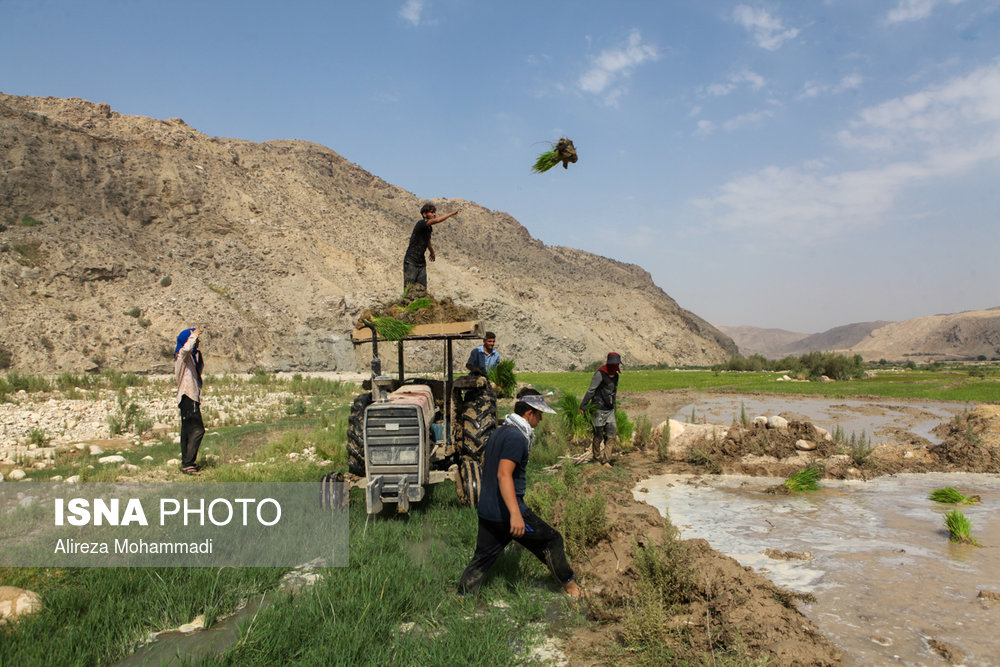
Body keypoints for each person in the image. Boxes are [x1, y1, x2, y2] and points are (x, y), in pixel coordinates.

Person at [457, 389, 582, 597]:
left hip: (488, 509)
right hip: (507, 512)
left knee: (483, 558)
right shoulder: (516, 438)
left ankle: (463, 597)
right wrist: (515, 514)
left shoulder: (500, 431)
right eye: (539, 414)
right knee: (552, 541)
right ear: (529, 413)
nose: (541, 419)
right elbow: (504, 475)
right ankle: (571, 587)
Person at [402, 202, 460, 294]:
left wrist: (432, 252)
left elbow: (427, 240)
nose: (434, 214)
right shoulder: (421, 224)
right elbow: (436, 220)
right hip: (411, 261)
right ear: (424, 214)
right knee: (409, 290)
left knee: (422, 290)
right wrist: (450, 214)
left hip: (421, 262)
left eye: (434, 212)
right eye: (432, 212)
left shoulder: (428, 228)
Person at [579, 352, 621, 464]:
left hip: (610, 410)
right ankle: (596, 458)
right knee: (598, 435)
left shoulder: (616, 376)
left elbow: (614, 393)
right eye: (614, 364)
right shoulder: (600, 374)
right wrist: (583, 407)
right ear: (609, 363)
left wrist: (614, 406)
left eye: (617, 364)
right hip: (598, 409)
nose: (616, 366)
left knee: (611, 435)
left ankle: (606, 460)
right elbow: (591, 390)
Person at [174, 328, 205, 475]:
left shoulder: (189, 359)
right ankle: (188, 463)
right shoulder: (183, 356)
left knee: (187, 431)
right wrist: (194, 335)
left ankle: (186, 463)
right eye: (196, 340)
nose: (198, 341)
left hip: (188, 397)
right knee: (198, 430)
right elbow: (186, 348)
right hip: (188, 396)